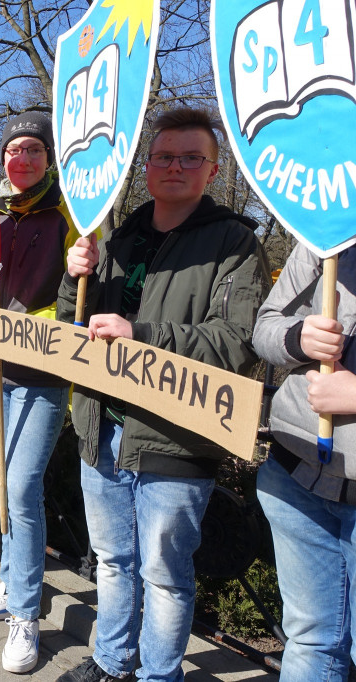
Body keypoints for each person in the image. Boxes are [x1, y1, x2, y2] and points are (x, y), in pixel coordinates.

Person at [55, 107, 270, 682]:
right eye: (163, 156)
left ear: (213, 168)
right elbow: (70, 324)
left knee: (165, 574)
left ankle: (158, 675)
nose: (174, 167)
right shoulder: (120, 235)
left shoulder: (237, 244)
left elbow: (238, 343)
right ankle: (111, 661)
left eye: (190, 157)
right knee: (111, 562)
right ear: (146, 165)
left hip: (176, 435)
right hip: (102, 425)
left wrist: (142, 337)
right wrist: (71, 273)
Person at [0, 112, 83, 674]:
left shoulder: (69, 215)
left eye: (33, 149)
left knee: (22, 489)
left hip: (41, 376)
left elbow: (80, 296)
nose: (22, 159)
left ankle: (25, 616)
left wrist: (21, 323)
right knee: (6, 485)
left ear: (49, 158)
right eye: (13, 151)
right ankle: (9, 585)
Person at [253, 243, 355, 682]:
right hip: (293, 474)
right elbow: (264, 327)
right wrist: (299, 338)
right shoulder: (327, 227)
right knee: (309, 640)